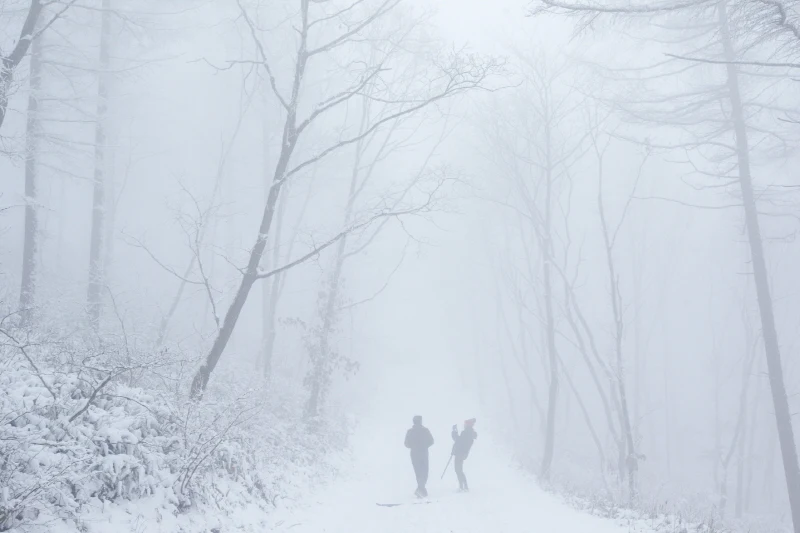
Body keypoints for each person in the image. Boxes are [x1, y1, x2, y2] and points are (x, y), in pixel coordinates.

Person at [404, 415, 434, 497]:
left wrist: (413, 446)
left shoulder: (410, 431)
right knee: (424, 472)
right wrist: (424, 445)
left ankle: (421, 490)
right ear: (420, 421)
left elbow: (406, 444)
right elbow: (431, 441)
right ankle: (421, 490)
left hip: (414, 454)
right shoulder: (425, 431)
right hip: (423, 453)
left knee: (418, 472)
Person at [451, 418, 477, 491]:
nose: (464, 425)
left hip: (460, 453)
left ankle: (463, 486)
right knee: (459, 470)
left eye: (465, 424)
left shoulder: (466, 433)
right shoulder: (469, 432)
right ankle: (463, 486)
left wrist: (454, 432)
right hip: (462, 453)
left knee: (458, 470)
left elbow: (458, 440)